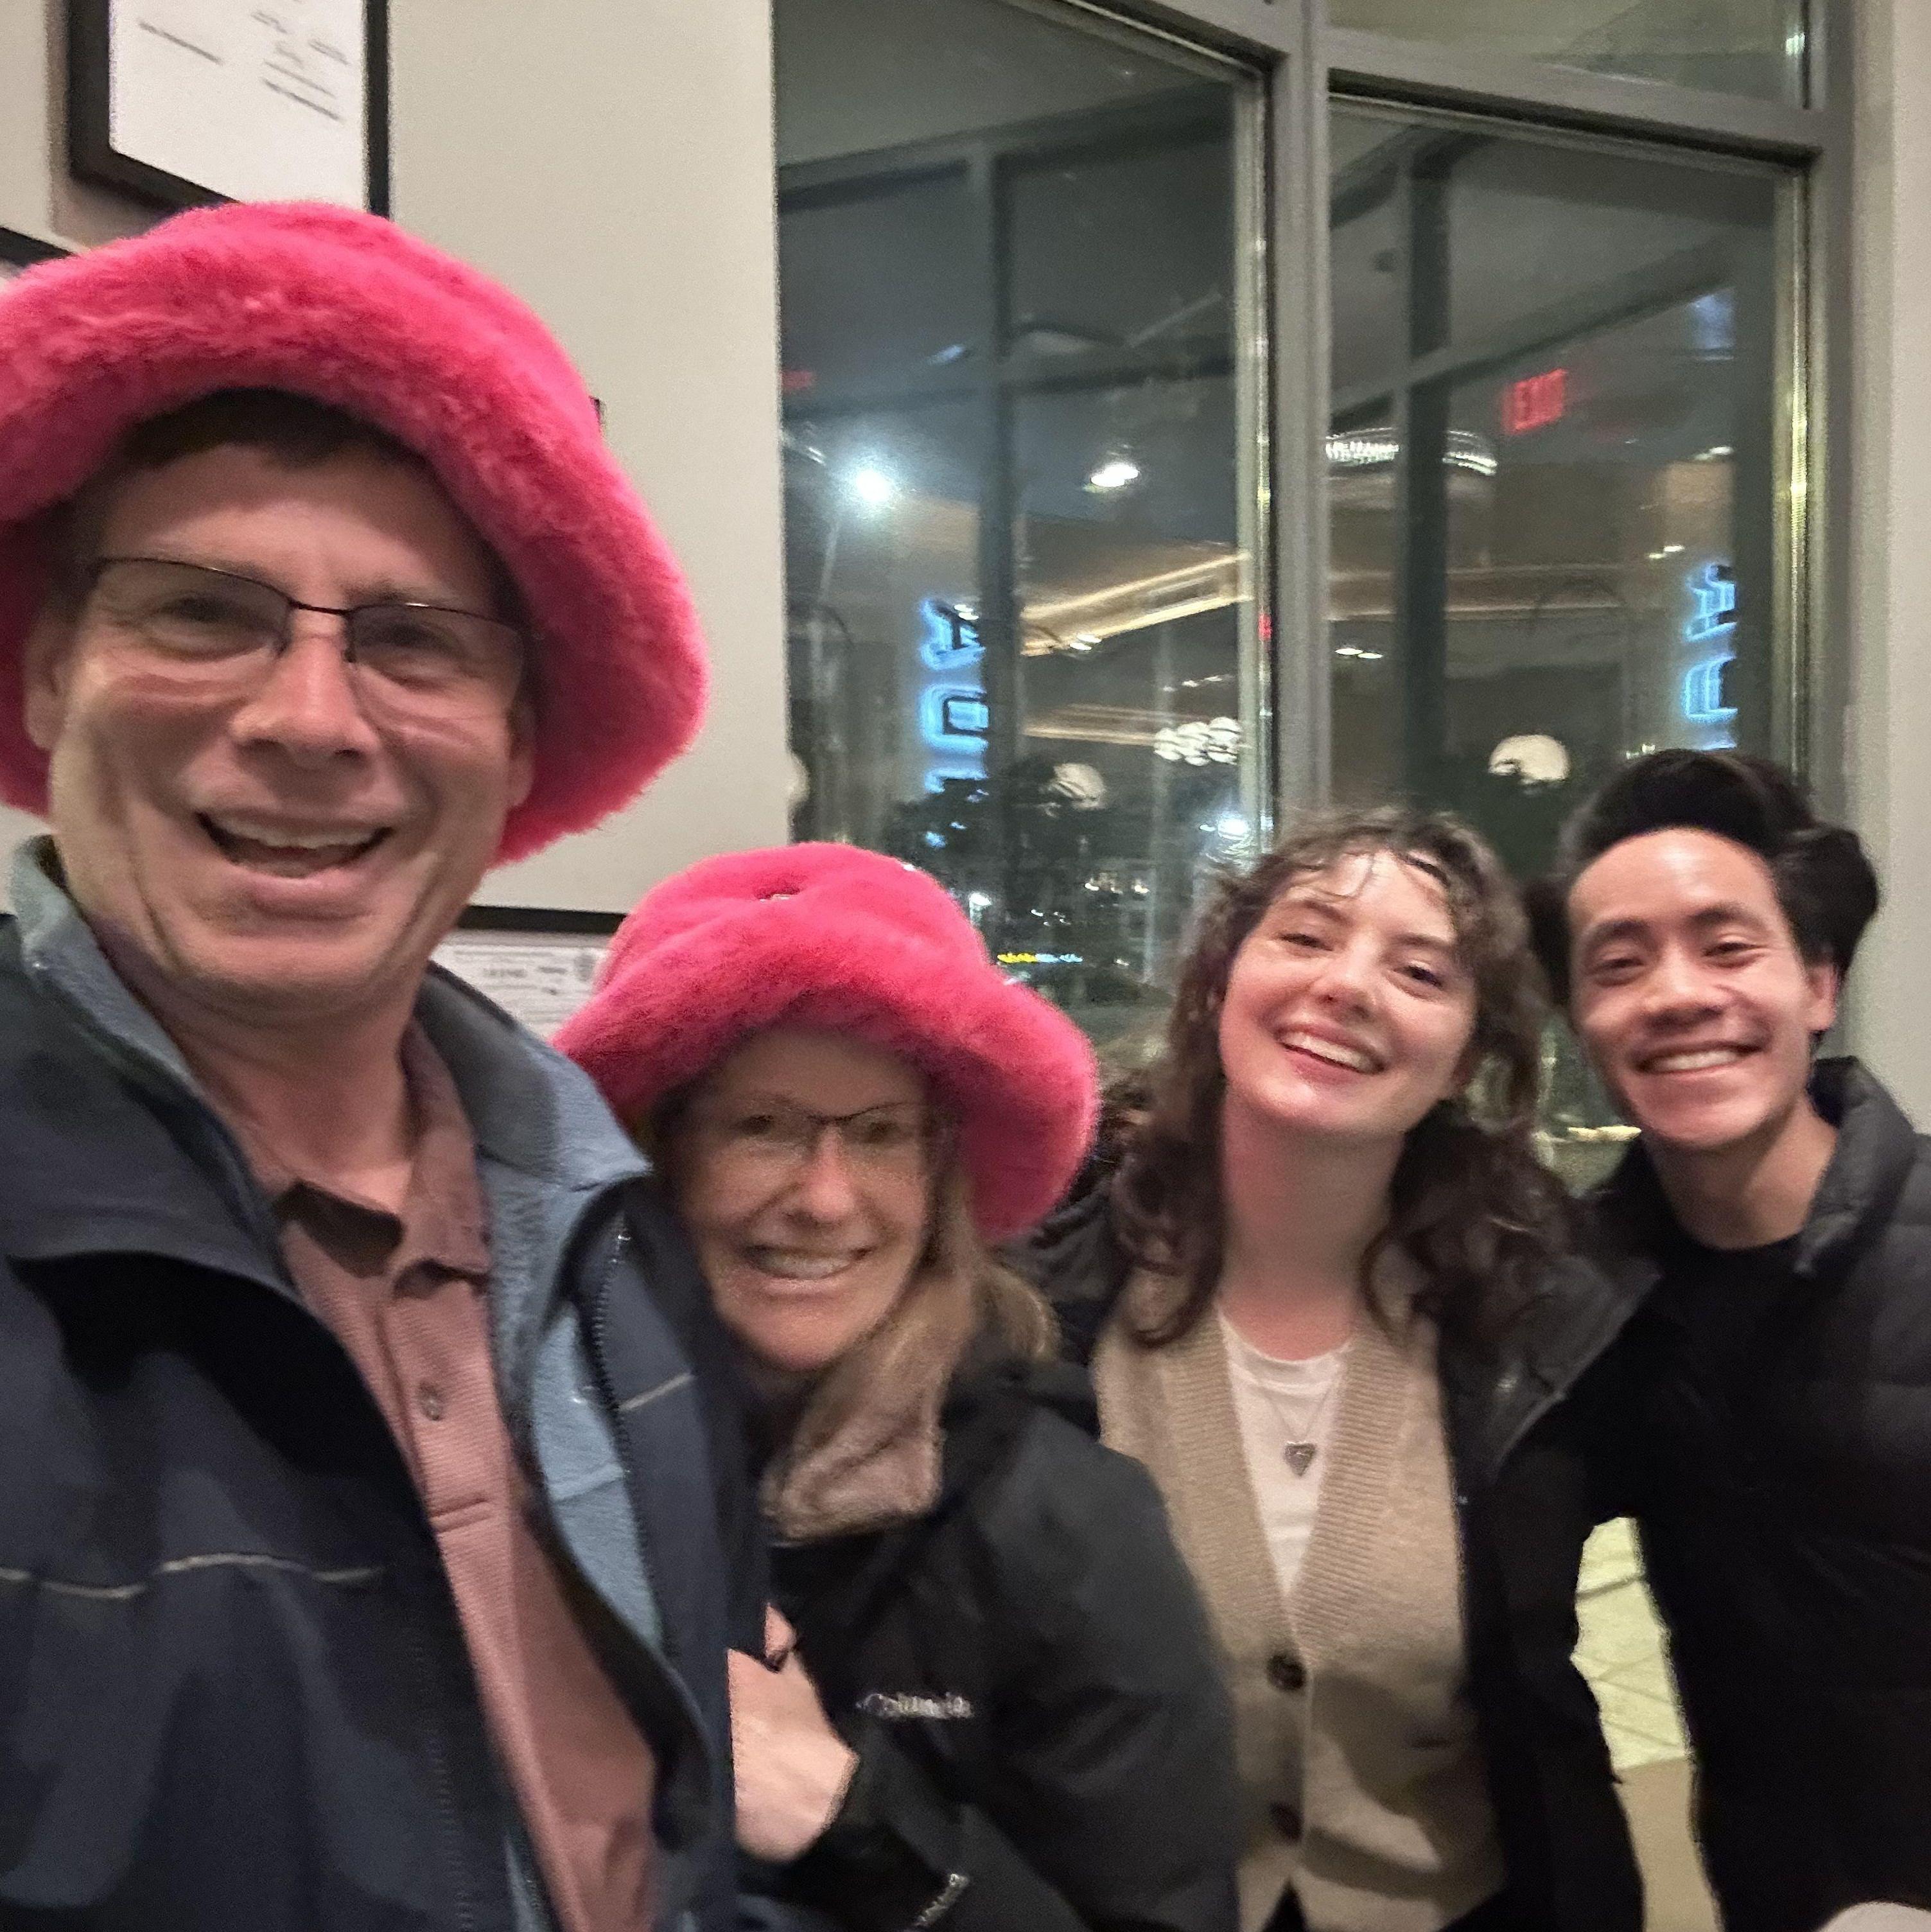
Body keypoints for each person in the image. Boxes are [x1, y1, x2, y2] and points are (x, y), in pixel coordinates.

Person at [0, 202, 754, 1931]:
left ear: (514, 742)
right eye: (204, 612)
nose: (314, 718)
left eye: (413, 641)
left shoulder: (613, 1232)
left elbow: (671, 1823)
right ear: (50, 673)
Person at [555, 841, 1242, 1932]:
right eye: (764, 1125)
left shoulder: (1066, 1531)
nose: (827, 1201)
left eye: (879, 1135)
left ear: (939, 1174)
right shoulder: (539, 1482)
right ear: (657, 1155)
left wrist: (852, 1823)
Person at [1020, 806, 1643, 1932]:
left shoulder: (1536, 1333)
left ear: (1468, 1058)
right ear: (1219, 983)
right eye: (1306, 938)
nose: (1348, 986)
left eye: (1419, 970)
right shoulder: (1039, 1311)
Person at [1526, 749, 1931, 1932]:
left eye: (1728, 946)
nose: (1677, 994)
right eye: (1620, 964)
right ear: (1582, 1022)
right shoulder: (1597, 1300)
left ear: (1819, 982)